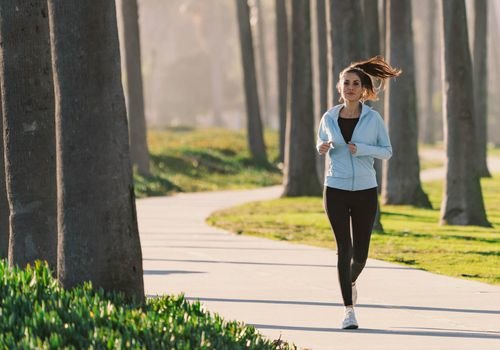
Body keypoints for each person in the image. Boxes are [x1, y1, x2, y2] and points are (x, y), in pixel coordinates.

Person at [316, 56, 401, 329]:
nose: (350, 87)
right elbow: (320, 140)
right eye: (346, 83)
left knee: (361, 255)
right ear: (339, 88)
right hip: (336, 189)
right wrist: (322, 147)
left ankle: (349, 281)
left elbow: (387, 152)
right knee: (344, 249)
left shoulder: (373, 119)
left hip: (365, 190)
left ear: (363, 89)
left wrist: (362, 149)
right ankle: (348, 311)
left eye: (355, 83)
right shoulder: (329, 117)